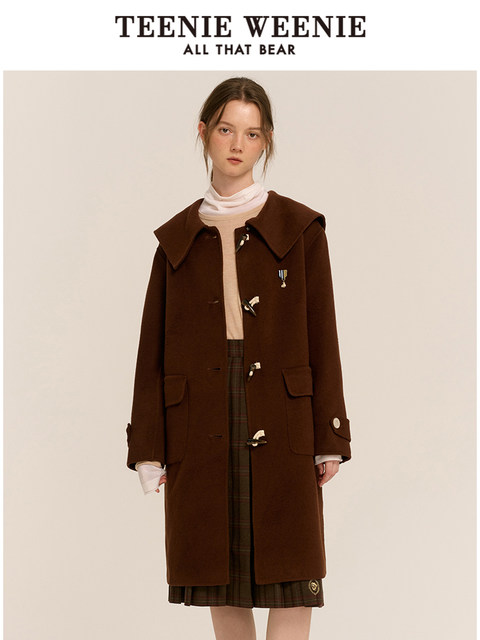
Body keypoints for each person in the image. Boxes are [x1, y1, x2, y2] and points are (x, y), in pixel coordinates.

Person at [125, 76, 352, 640]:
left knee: (292, 575)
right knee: (219, 577)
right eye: (226, 129)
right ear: (204, 132)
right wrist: (149, 446)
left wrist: (330, 434)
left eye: (251, 134)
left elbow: (323, 335)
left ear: (265, 141)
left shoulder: (300, 230)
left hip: (281, 412)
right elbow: (151, 352)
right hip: (201, 414)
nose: (237, 144)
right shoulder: (176, 240)